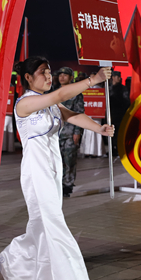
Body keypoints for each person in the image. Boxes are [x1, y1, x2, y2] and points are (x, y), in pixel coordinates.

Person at [0, 56, 113, 280]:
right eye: (43, 72)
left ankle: (3, 268)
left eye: (49, 71)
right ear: (28, 78)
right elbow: (59, 95)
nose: (48, 76)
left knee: (40, 229)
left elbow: (71, 115)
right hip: (36, 172)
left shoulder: (51, 105)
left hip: (53, 170)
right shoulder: (24, 104)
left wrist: (99, 128)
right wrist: (92, 80)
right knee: (53, 226)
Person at [56, 66, 84, 197]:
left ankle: (67, 185)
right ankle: (57, 184)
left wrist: (77, 132)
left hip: (70, 132)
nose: (62, 77)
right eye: (60, 75)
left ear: (71, 78)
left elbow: (79, 113)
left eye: (65, 75)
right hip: (55, 132)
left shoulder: (76, 93)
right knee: (56, 160)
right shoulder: (54, 92)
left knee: (69, 159)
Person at [109, 70, 130, 152]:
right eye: (117, 77)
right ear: (113, 77)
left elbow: (126, 101)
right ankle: (111, 148)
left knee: (119, 131)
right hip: (110, 113)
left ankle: (118, 148)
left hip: (119, 113)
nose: (118, 78)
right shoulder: (108, 88)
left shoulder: (123, 89)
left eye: (119, 77)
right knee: (110, 131)